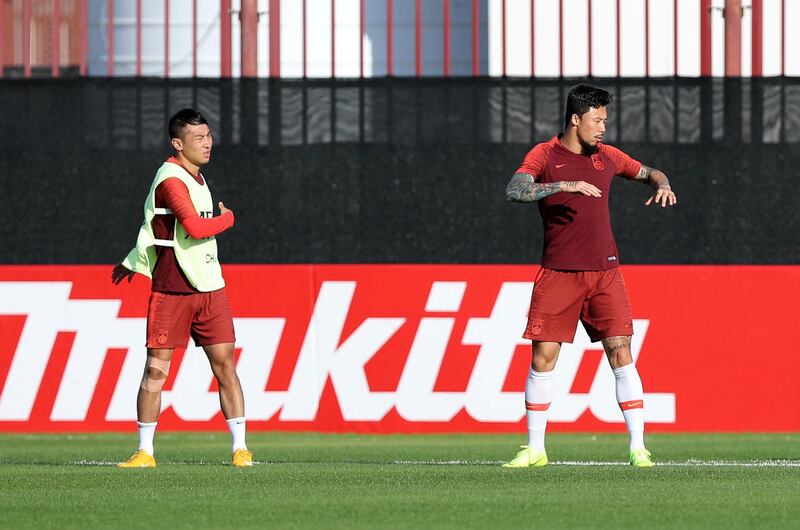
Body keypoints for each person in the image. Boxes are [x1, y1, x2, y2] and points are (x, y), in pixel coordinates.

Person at [502, 85, 677, 468]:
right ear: (575, 119)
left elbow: (649, 172)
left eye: (605, 121)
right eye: (597, 120)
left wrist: (661, 184)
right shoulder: (545, 154)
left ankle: (638, 447)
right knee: (543, 358)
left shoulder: (608, 156)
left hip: (605, 273)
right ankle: (535, 449)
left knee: (621, 352)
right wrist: (562, 185)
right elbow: (514, 190)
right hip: (558, 273)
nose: (602, 128)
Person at [112, 108, 252, 468]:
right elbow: (195, 227)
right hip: (172, 291)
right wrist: (229, 218)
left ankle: (241, 449)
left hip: (210, 288)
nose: (207, 144)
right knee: (156, 371)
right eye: (198, 138)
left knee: (226, 369)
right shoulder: (171, 179)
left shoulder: (198, 178)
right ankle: (146, 451)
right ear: (178, 143)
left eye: (208, 136)